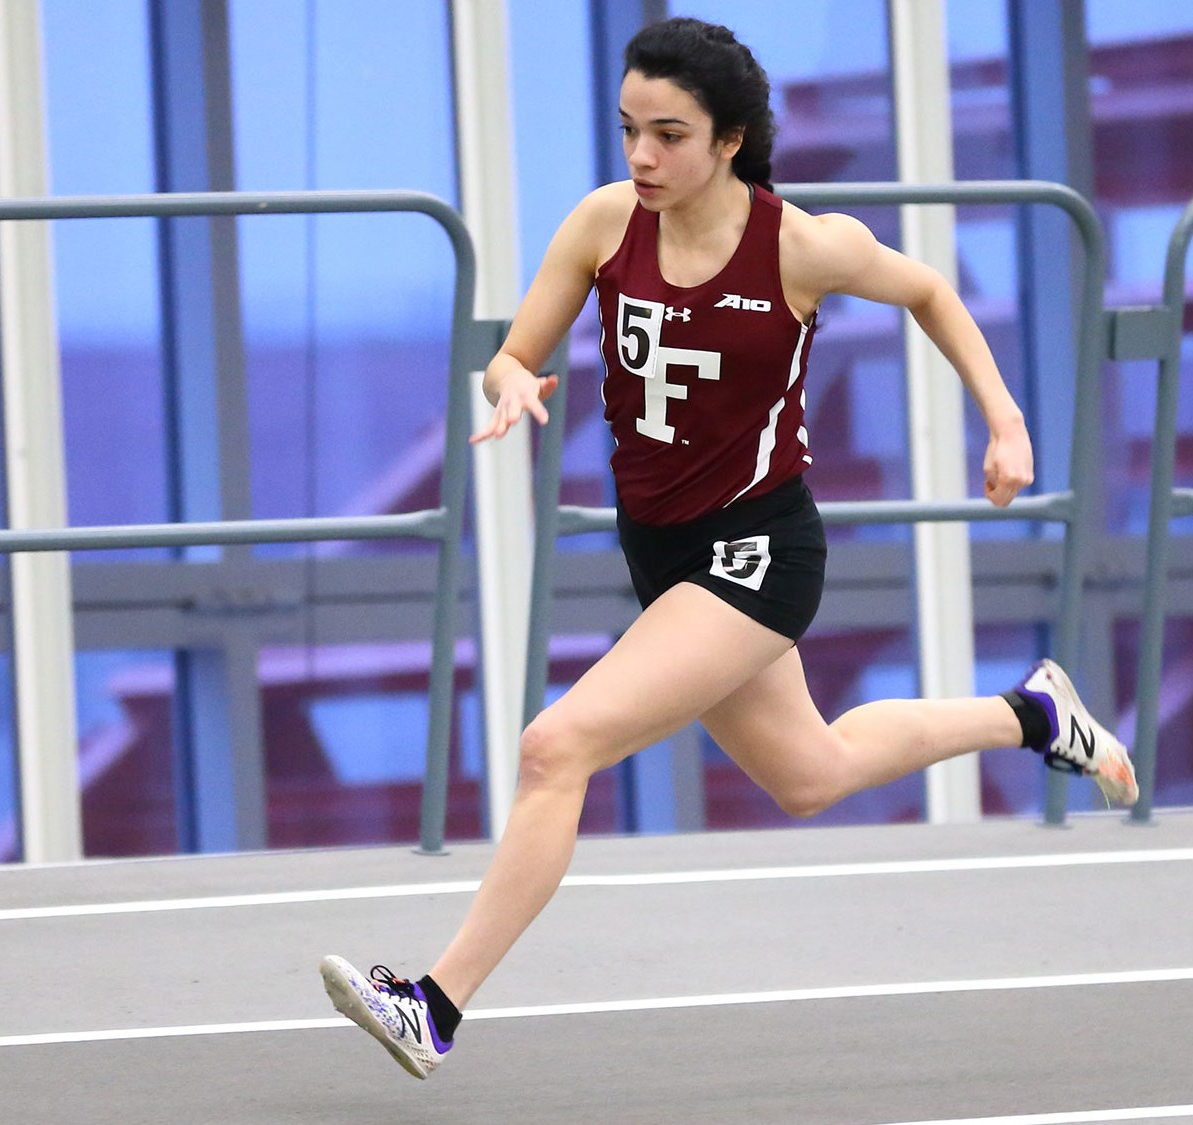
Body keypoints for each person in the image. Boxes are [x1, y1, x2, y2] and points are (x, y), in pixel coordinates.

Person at [317, 17, 1138, 1079]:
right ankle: (1031, 713)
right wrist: (511, 379)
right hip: (658, 552)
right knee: (810, 774)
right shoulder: (603, 225)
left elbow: (931, 292)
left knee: (553, 748)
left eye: (668, 134)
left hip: (757, 552)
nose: (642, 158)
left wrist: (1006, 421)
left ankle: (434, 1004)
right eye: (628, 132)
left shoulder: (801, 244)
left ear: (730, 141)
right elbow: (511, 354)